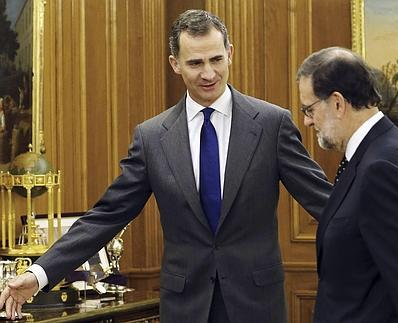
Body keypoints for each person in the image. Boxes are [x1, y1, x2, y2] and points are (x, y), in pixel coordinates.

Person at [0, 9, 331, 322]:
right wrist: (39, 274)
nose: (208, 73)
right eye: (195, 63)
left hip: (257, 305)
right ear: (175, 64)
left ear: (230, 52)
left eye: (216, 59)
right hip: (186, 307)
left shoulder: (272, 124)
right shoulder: (152, 137)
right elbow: (107, 215)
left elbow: (326, 203)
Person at [297, 47, 398, 323]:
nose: (307, 120)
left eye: (309, 109)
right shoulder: (379, 151)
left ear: (338, 103)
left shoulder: (381, 167)